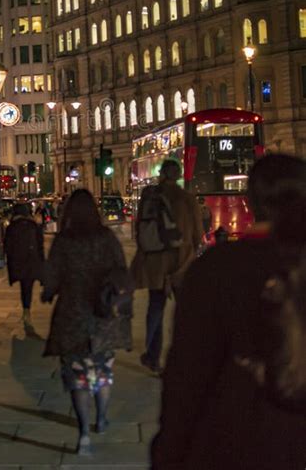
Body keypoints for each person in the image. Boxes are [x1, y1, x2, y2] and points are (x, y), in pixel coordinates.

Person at [151, 153, 306, 470]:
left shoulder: (215, 269)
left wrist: (167, 455)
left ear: (249, 203)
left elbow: (186, 377)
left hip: (235, 440)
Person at [42, 189, 132, 455]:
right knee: (102, 372)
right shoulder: (107, 238)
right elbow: (121, 269)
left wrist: (48, 292)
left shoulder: (64, 241)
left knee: (77, 377)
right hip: (103, 315)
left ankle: (82, 434)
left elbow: (51, 277)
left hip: (73, 317)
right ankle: (101, 417)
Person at [130, 158, 203, 375]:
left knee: (156, 307)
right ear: (178, 175)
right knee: (185, 310)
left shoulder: (150, 197)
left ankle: (153, 357)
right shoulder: (187, 199)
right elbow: (198, 234)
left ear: (161, 174)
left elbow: (139, 231)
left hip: (156, 262)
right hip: (181, 260)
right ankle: (187, 356)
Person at [4, 203, 44, 329]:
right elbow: (40, 245)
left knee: (24, 286)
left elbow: (7, 246)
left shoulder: (12, 227)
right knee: (28, 286)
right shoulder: (34, 226)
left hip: (18, 261)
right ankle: (27, 310)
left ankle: (26, 310)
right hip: (32, 260)